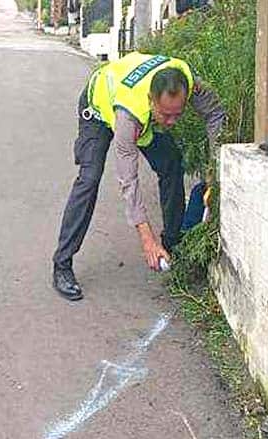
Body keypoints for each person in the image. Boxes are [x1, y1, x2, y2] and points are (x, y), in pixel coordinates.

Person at [51, 51, 225, 301]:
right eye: (165, 114)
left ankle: (172, 243)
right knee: (89, 179)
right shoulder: (129, 115)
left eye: (178, 113)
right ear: (150, 100)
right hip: (98, 108)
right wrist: (147, 240)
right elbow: (128, 181)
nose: (172, 122)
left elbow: (215, 114)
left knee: (171, 162)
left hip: (139, 118)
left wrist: (215, 166)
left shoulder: (187, 78)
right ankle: (62, 264)